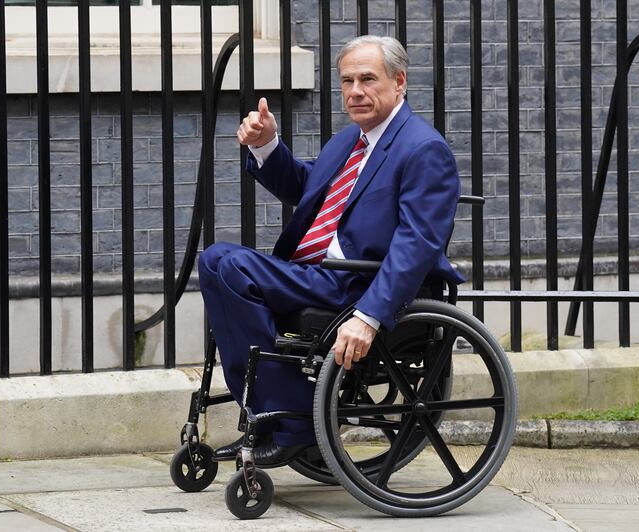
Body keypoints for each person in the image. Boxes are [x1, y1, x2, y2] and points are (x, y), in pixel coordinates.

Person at [198, 35, 464, 466]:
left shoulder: (422, 148)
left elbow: (418, 242)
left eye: (367, 79)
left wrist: (369, 316)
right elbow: (311, 192)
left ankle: (293, 418)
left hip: (358, 284)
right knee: (215, 260)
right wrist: (266, 145)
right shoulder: (350, 141)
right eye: (347, 81)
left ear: (399, 82)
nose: (355, 91)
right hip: (320, 274)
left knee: (230, 266)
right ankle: (269, 413)